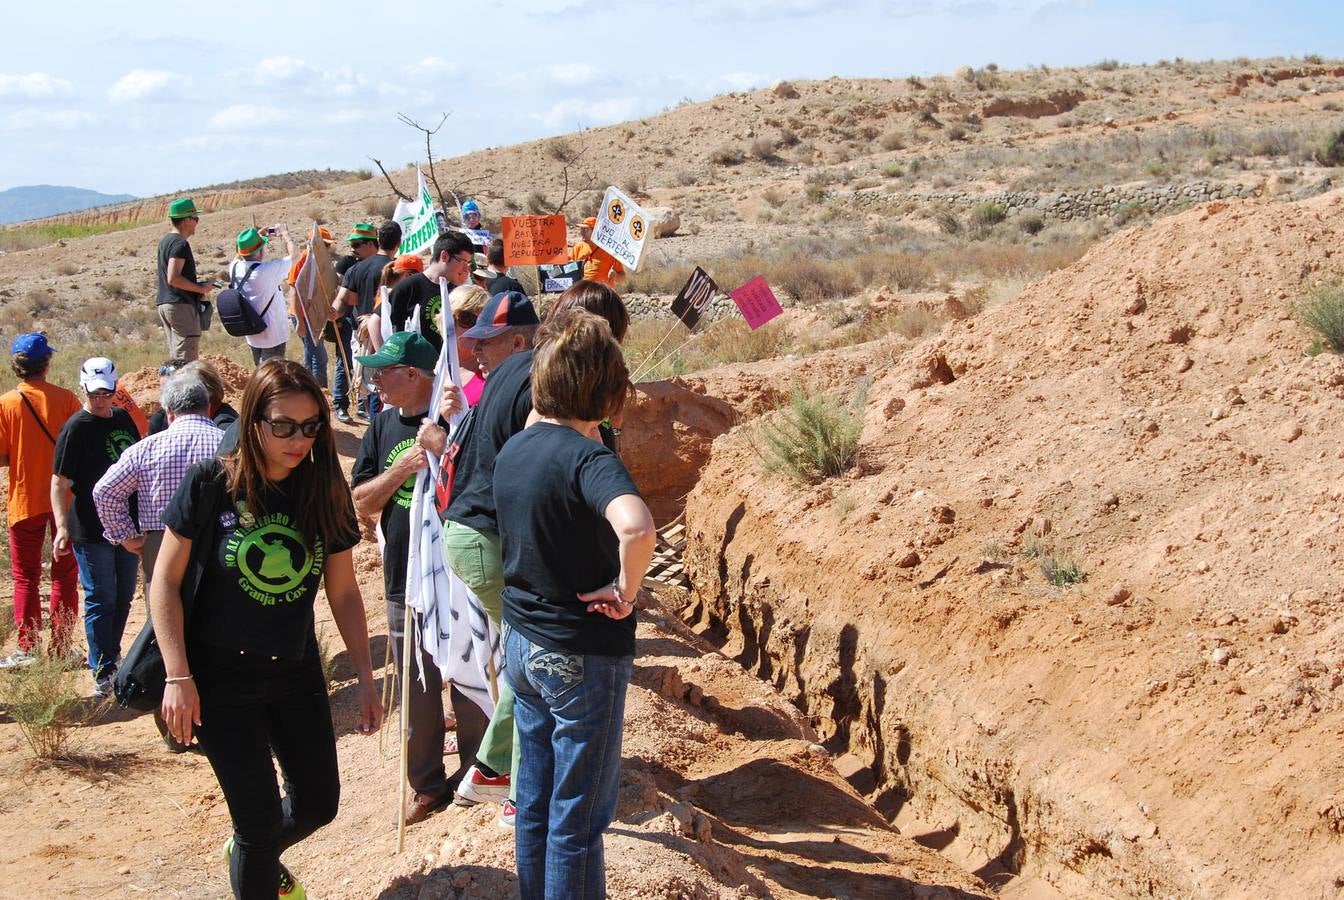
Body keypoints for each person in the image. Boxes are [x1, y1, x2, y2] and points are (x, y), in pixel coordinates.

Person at [153, 359, 382, 899]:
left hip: (295, 669)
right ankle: (254, 857)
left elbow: (344, 592)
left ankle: (249, 854)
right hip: (217, 677)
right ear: (254, 421)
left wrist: (369, 681)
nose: (298, 439)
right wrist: (178, 675)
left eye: (310, 427)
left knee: (319, 805)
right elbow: (164, 581)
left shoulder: (323, 488)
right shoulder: (212, 481)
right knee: (257, 826)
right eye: (283, 425)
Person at [496, 308, 654, 899]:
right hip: (579, 652)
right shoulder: (589, 458)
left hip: (521, 646)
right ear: (605, 388)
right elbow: (636, 529)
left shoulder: (516, 449)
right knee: (578, 823)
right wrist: (625, 592)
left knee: (534, 802)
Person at [351, 332, 482, 825]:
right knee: (417, 689)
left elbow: (479, 484)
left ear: (414, 375)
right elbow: (361, 500)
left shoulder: (460, 420)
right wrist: (402, 469)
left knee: (468, 678)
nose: (374, 380)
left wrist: (443, 446)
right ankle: (427, 785)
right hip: (404, 575)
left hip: (458, 575)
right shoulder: (381, 427)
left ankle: (477, 773)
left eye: (382, 372)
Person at [93, 371, 224, 606]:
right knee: (216, 612)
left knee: (163, 615)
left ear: (169, 412)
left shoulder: (146, 449)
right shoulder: (228, 444)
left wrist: (125, 536)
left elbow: (105, 491)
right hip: (219, 539)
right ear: (207, 407)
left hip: (161, 540)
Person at [51, 357, 141, 695]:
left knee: (123, 597)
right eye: (94, 394)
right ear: (84, 388)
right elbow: (60, 481)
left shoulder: (122, 418)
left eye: (106, 393)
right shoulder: (76, 427)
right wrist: (61, 526)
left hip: (127, 524)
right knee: (101, 597)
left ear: (115, 390)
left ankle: (113, 657)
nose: (100, 399)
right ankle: (102, 669)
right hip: (91, 528)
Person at [0, 333, 82, 666]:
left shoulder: (6, 403)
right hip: (65, 502)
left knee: (25, 576)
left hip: (24, 500)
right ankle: (61, 650)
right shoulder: (67, 400)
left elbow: (2, 456)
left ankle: (27, 648)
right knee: (65, 576)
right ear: (46, 364)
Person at [331, 221, 400, 422]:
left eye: (357, 244)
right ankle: (379, 427)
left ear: (376, 242)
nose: (353, 250)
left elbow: (346, 299)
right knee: (384, 383)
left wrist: (334, 312)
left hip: (362, 335)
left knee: (370, 383)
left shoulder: (355, 270)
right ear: (398, 243)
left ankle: (374, 423)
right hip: (387, 333)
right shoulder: (395, 269)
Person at [387, 230, 475, 355]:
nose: (466, 268)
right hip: (414, 368)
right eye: (463, 261)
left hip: (448, 367)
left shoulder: (458, 291)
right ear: (444, 256)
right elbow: (380, 322)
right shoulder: (409, 287)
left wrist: (463, 286)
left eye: (468, 263)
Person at [156, 197, 216, 365]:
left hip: (167, 304)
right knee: (186, 361)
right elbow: (173, 277)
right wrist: (201, 289)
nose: (197, 223)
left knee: (176, 358)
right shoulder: (180, 244)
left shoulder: (165, 241)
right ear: (186, 220)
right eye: (195, 218)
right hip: (180, 306)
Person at [228, 225, 295, 365]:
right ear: (260, 251)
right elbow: (295, 256)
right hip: (273, 334)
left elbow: (238, 255)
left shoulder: (234, 267)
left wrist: (255, 237)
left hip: (252, 330)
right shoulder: (267, 270)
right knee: (272, 374)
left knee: (260, 370)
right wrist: (285, 234)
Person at [286, 226, 336, 389]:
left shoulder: (320, 262)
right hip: (303, 314)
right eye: (325, 245)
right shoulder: (304, 260)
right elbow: (294, 291)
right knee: (318, 357)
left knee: (311, 354)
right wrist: (299, 321)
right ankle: (320, 392)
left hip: (312, 312)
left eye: (328, 245)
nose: (327, 248)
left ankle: (307, 388)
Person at [446, 284, 488, 406]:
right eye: (467, 319)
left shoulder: (491, 373)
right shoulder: (434, 371)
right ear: (448, 321)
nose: (476, 328)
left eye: (483, 321)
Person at [569, 217, 623, 287]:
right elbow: (566, 266)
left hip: (603, 293)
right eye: (581, 229)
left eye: (585, 229)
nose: (581, 233)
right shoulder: (578, 247)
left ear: (595, 231)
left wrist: (616, 276)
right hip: (583, 292)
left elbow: (622, 275)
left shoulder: (609, 250)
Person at [146, 362, 178, 435]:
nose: (165, 395)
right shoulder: (158, 421)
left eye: (170, 388)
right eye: (163, 389)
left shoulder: (203, 414)